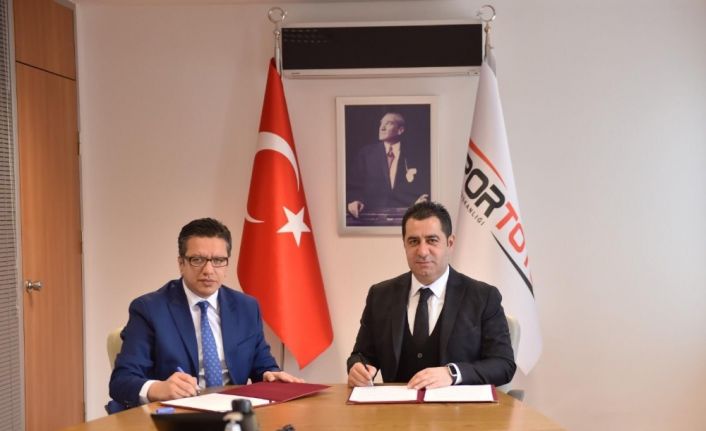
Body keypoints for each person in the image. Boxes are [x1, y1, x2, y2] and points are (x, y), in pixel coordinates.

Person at [108, 218, 301, 411]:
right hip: (178, 414)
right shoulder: (149, 309)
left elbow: (262, 366)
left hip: (233, 414)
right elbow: (121, 380)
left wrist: (271, 375)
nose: (208, 270)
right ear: (181, 263)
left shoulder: (246, 307)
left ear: (226, 264)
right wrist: (158, 388)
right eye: (197, 260)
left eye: (218, 261)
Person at [346, 202, 516, 389]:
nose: (422, 251)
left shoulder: (484, 297)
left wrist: (453, 373)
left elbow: (503, 365)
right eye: (413, 241)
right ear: (404, 245)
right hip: (396, 405)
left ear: (450, 243)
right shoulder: (380, 295)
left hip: (459, 406)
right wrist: (357, 367)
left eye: (432, 240)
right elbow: (362, 355)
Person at [347, 111, 430, 218]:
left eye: (388, 123)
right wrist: (354, 201)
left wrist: (421, 201)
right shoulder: (366, 154)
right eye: (381, 124)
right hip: (371, 217)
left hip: (407, 216)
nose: (382, 128)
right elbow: (353, 187)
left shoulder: (415, 155)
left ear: (400, 130)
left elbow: (424, 187)